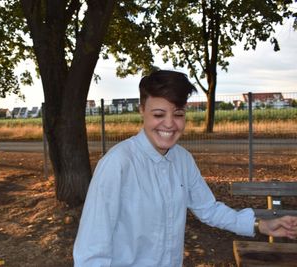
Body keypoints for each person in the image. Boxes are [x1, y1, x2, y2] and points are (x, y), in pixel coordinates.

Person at [73, 69, 297, 266]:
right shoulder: (117, 164)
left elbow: (209, 209)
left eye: (178, 114)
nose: (170, 124)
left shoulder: (183, 160)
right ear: (142, 110)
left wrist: (261, 225)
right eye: (159, 114)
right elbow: (91, 250)